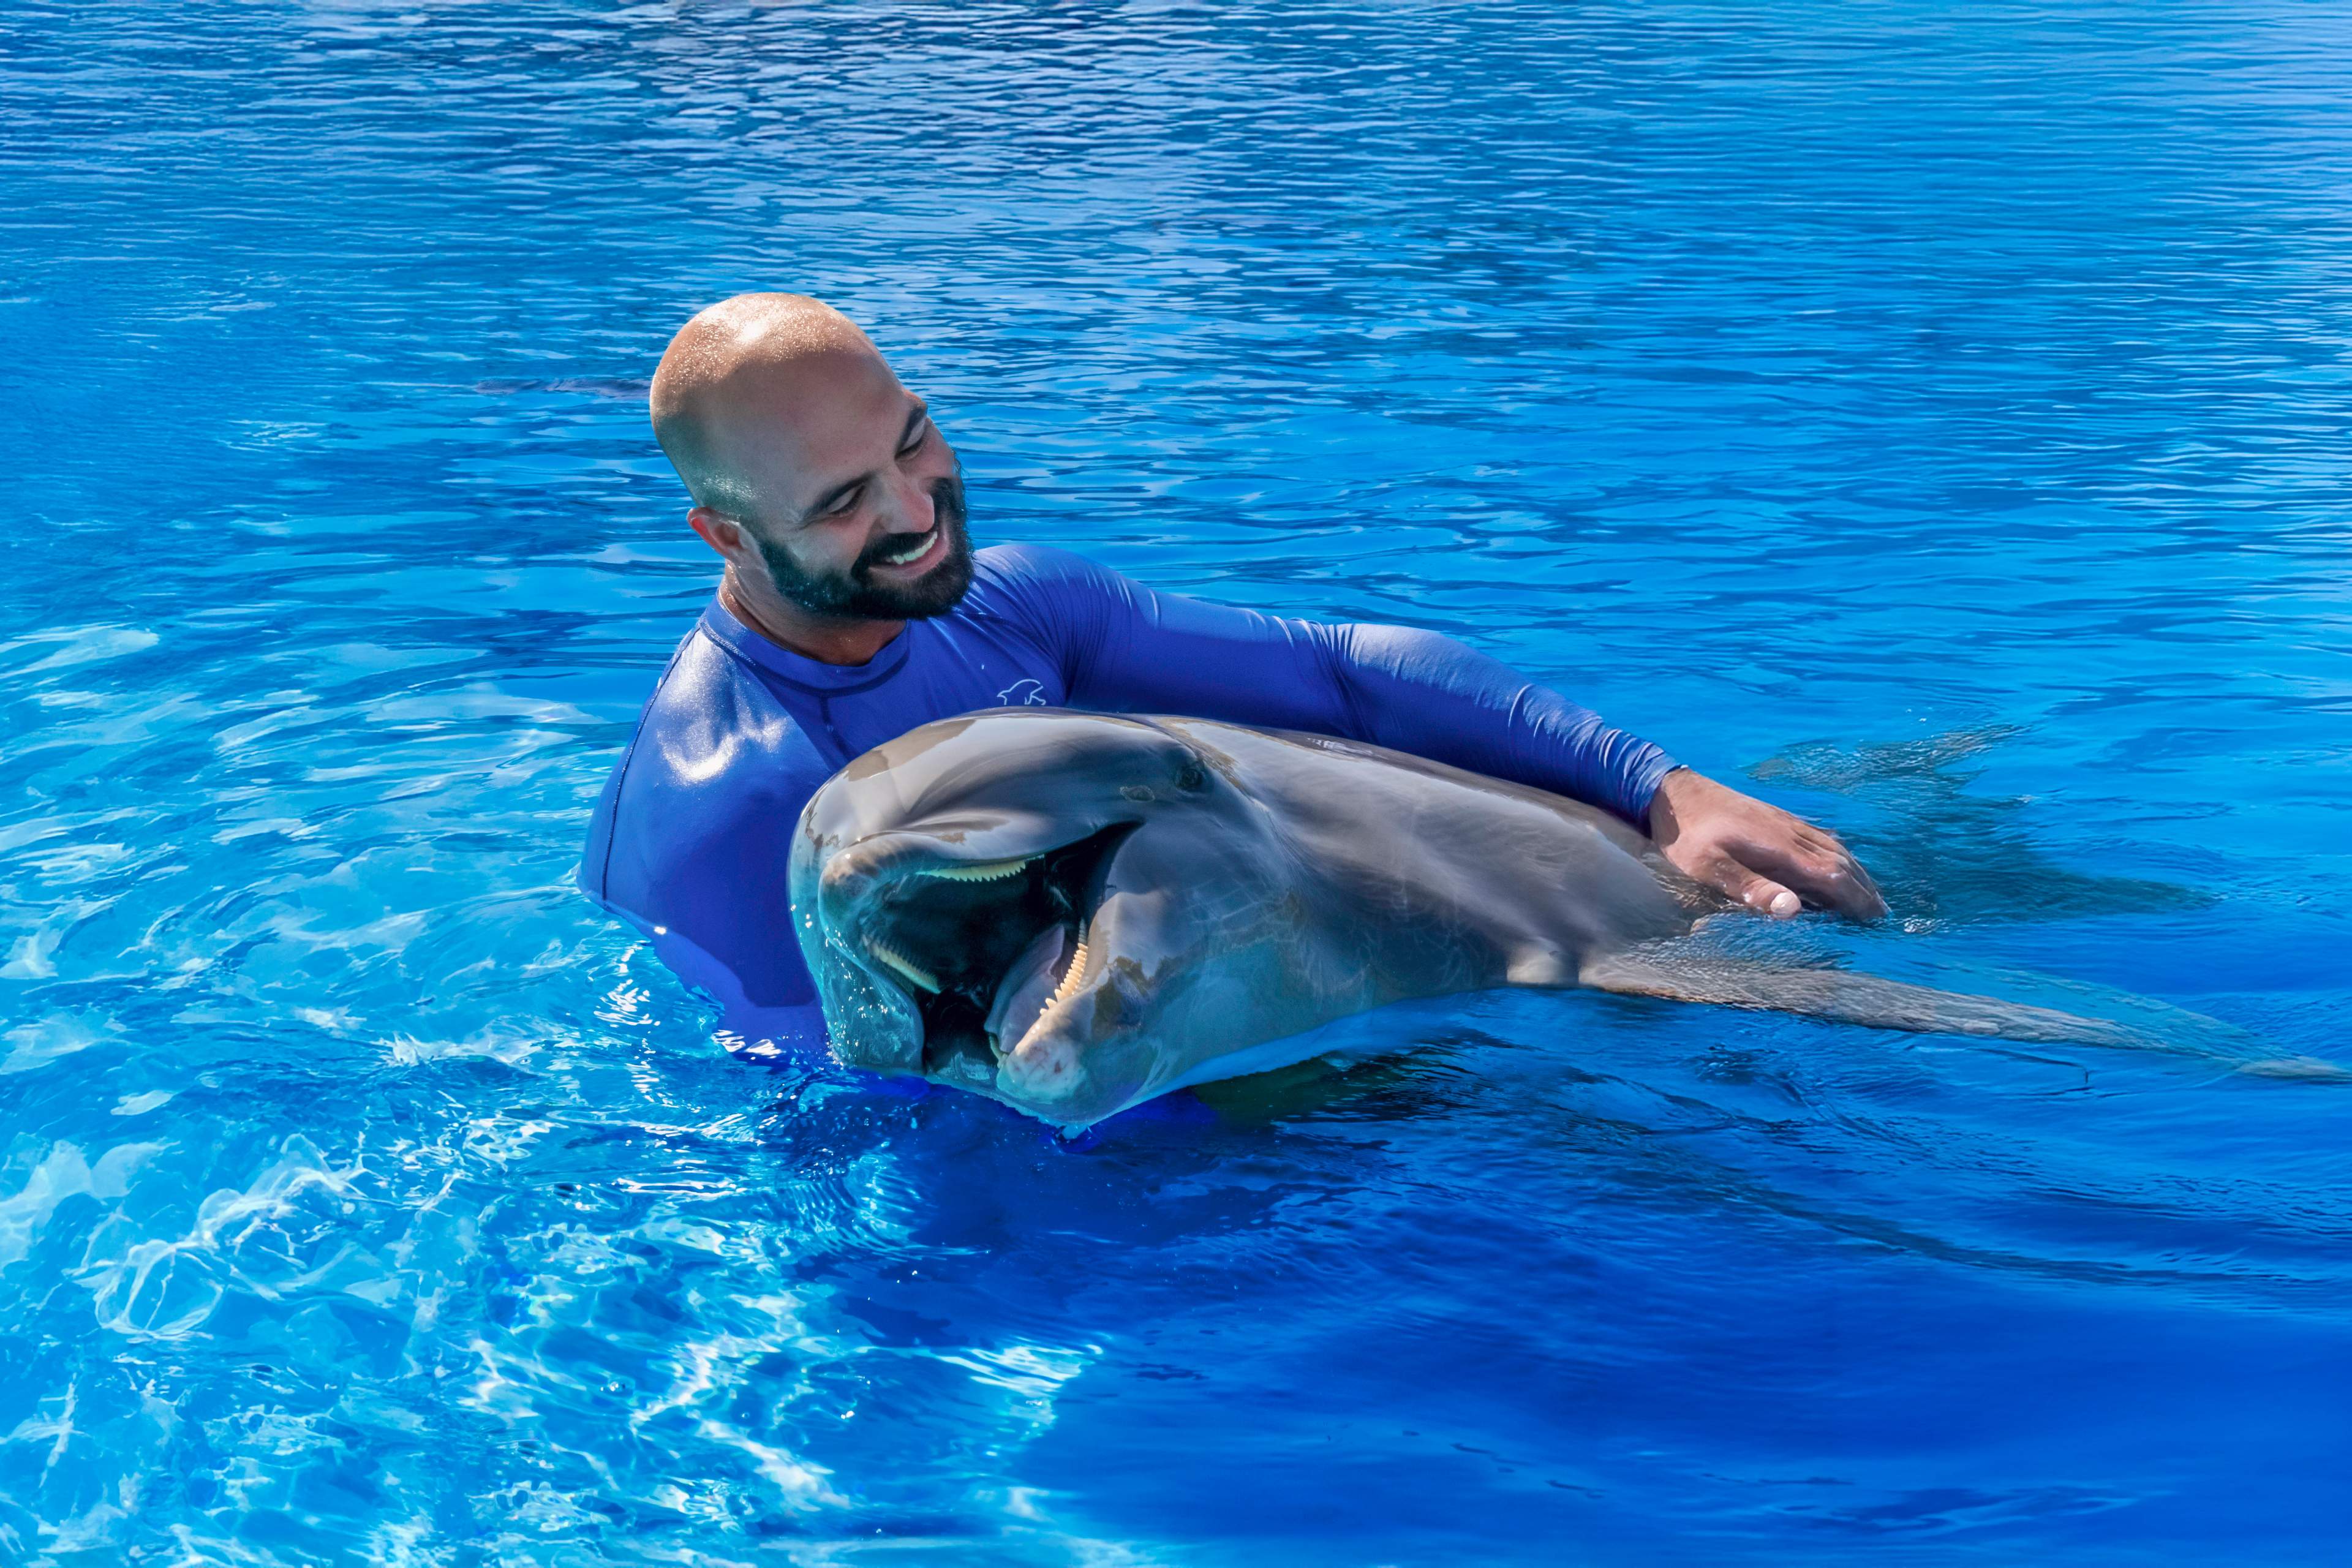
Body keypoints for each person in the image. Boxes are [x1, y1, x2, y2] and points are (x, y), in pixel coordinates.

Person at [581, 293, 1883, 1056]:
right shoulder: (713, 811)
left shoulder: (1009, 601)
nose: (919, 509)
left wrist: (1663, 786)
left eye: (916, 440)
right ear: (728, 535)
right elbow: (866, 1093)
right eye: (846, 500)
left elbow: (1339, 672)